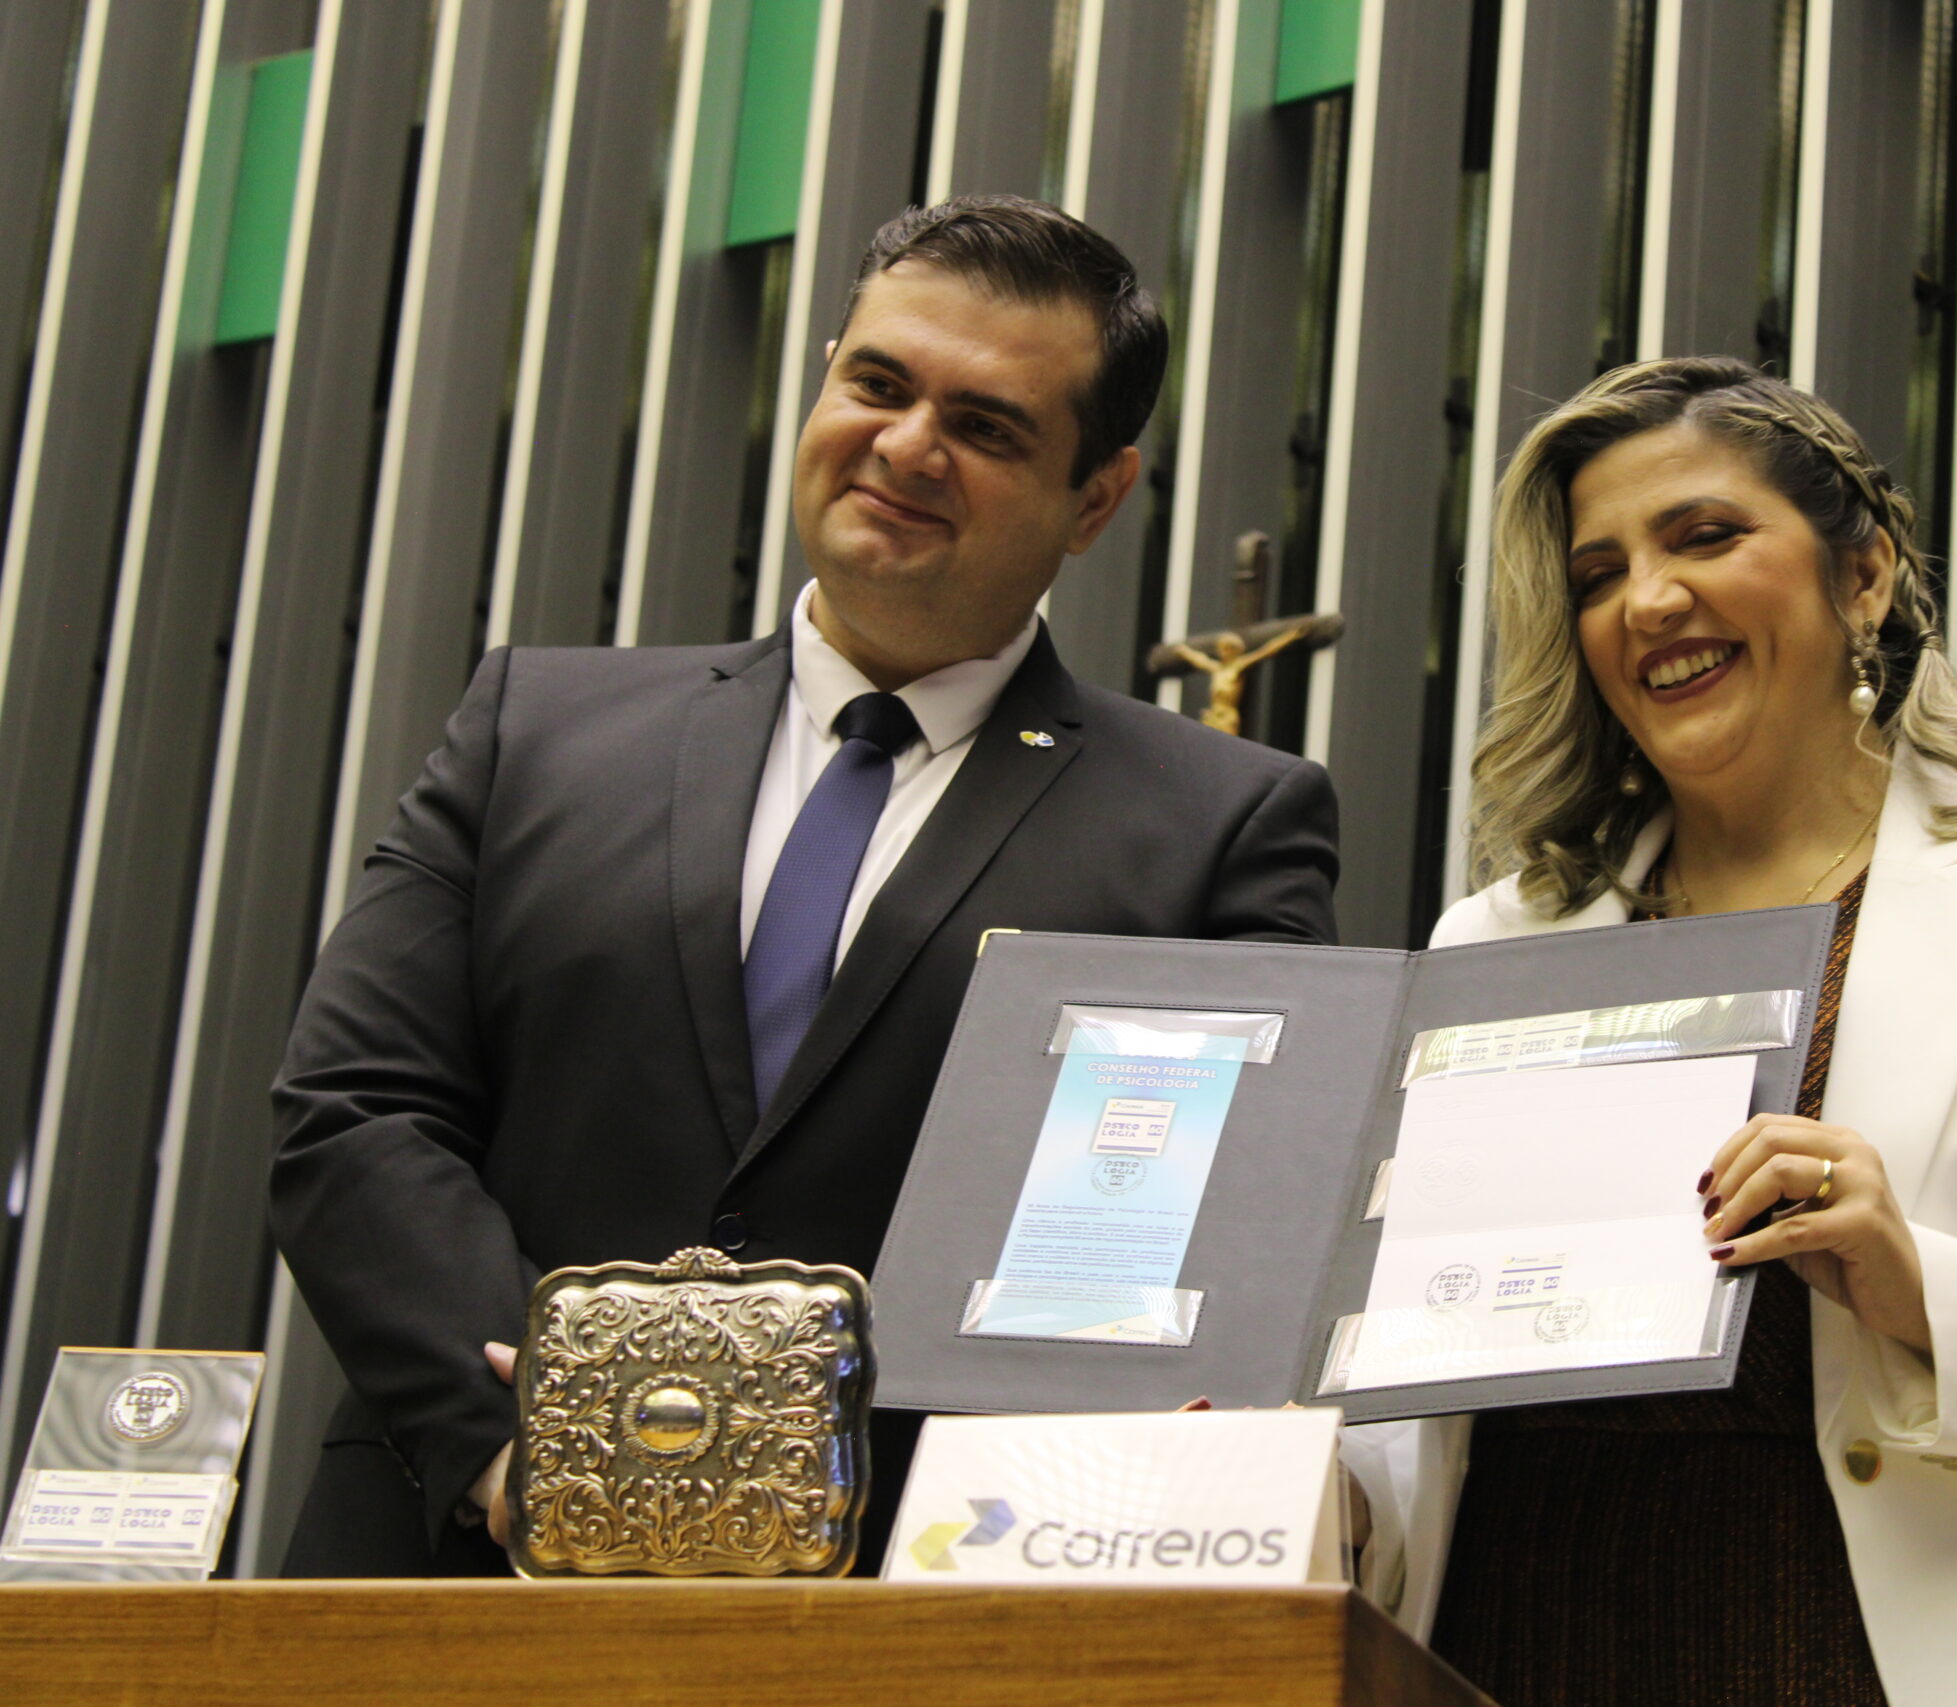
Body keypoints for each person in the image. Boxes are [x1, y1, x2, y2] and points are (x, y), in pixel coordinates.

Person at [269, 196, 1340, 1577]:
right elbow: (355, 1104)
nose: (907, 447)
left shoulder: (1219, 827)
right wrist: (542, 1444)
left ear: (1097, 497)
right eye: (878, 384)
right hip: (468, 1556)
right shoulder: (532, 728)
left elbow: (1214, 1241)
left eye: (986, 425)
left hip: (936, 1585)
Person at [1397, 356, 1957, 1705]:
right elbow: (1418, 1393)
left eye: (1705, 535)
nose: (1649, 599)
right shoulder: (1492, 944)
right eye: (1599, 574)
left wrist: (1923, 1284)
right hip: (1510, 1648)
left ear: (1865, 575)